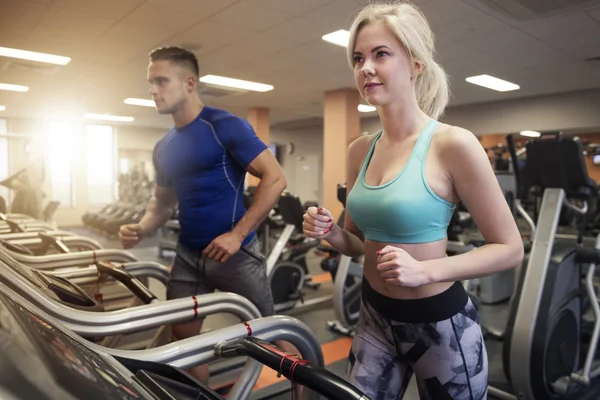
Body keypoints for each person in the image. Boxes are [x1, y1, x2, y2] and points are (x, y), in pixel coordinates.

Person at [303, 2, 524, 400]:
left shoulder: (452, 144)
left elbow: (510, 249)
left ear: (416, 64)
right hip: (373, 317)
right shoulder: (359, 150)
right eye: (358, 58)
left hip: (440, 325)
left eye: (380, 54)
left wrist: (426, 271)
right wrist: (332, 232)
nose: (365, 67)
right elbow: (357, 244)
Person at [118, 46, 296, 386]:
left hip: (236, 256)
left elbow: (275, 179)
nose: (153, 90)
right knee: (184, 343)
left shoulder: (224, 125)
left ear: (189, 83)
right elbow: (162, 203)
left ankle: (305, 391)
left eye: (161, 81)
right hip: (188, 257)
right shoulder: (164, 146)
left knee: (273, 335)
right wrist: (141, 228)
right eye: (150, 83)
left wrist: (237, 234)